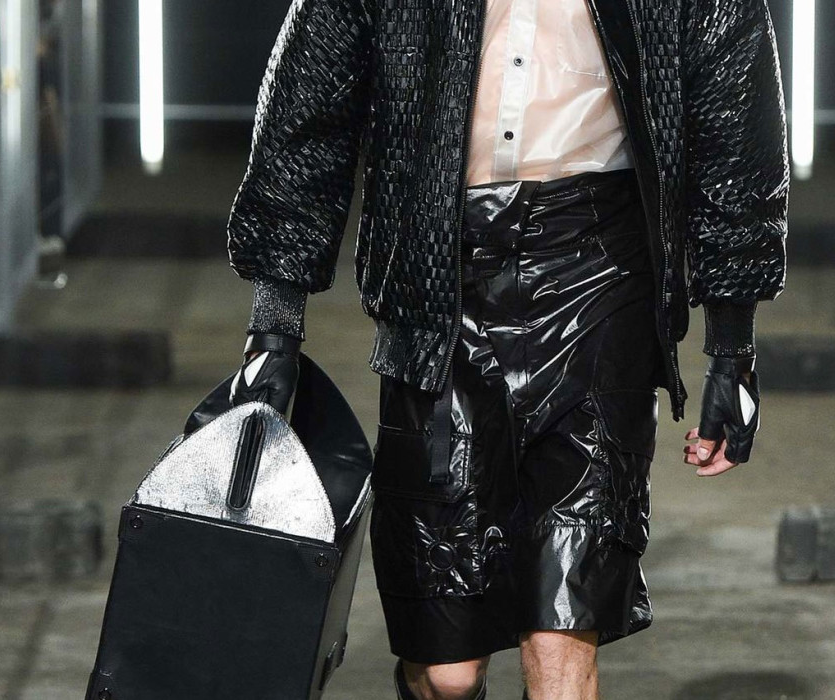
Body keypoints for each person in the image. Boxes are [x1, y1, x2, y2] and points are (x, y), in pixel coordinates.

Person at [225, 0, 789, 698]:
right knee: (447, 674)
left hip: (599, 277)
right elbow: (308, 107)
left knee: (562, 628)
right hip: (436, 286)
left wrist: (732, 347)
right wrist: (275, 322)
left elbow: (737, 122)